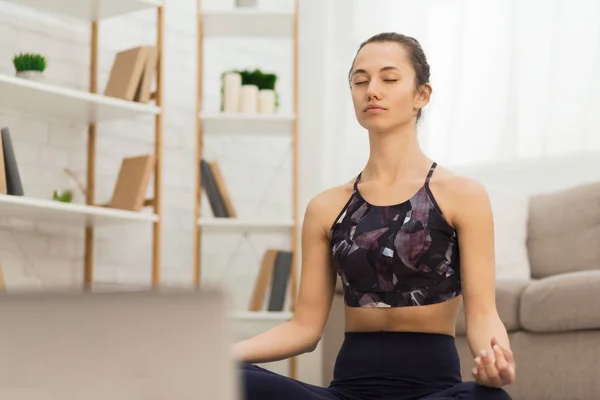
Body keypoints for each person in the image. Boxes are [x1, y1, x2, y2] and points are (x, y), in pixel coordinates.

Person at [233, 32, 515, 400]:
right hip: (349, 391)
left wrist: (494, 361)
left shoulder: (463, 195)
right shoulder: (325, 206)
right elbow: (304, 328)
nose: (372, 90)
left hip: (432, 392)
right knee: (230, 377)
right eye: (360, 81)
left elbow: (482, 314)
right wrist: (217, 356)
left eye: (389, 78)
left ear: (421, 95)